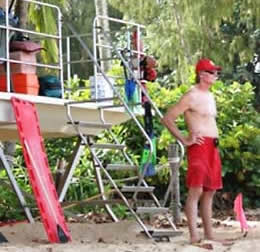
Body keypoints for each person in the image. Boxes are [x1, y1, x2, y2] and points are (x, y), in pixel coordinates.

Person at [161, 58, 223, 244]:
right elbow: (168, 118)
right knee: (195, 191)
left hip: (213, 146)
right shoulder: (191, 95)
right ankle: (194, 236)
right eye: (212, 72)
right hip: (199, 147)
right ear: (202, 75)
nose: (216, 75)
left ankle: (209, 235)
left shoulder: (210, 96)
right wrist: (185, 140)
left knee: (210, 191)